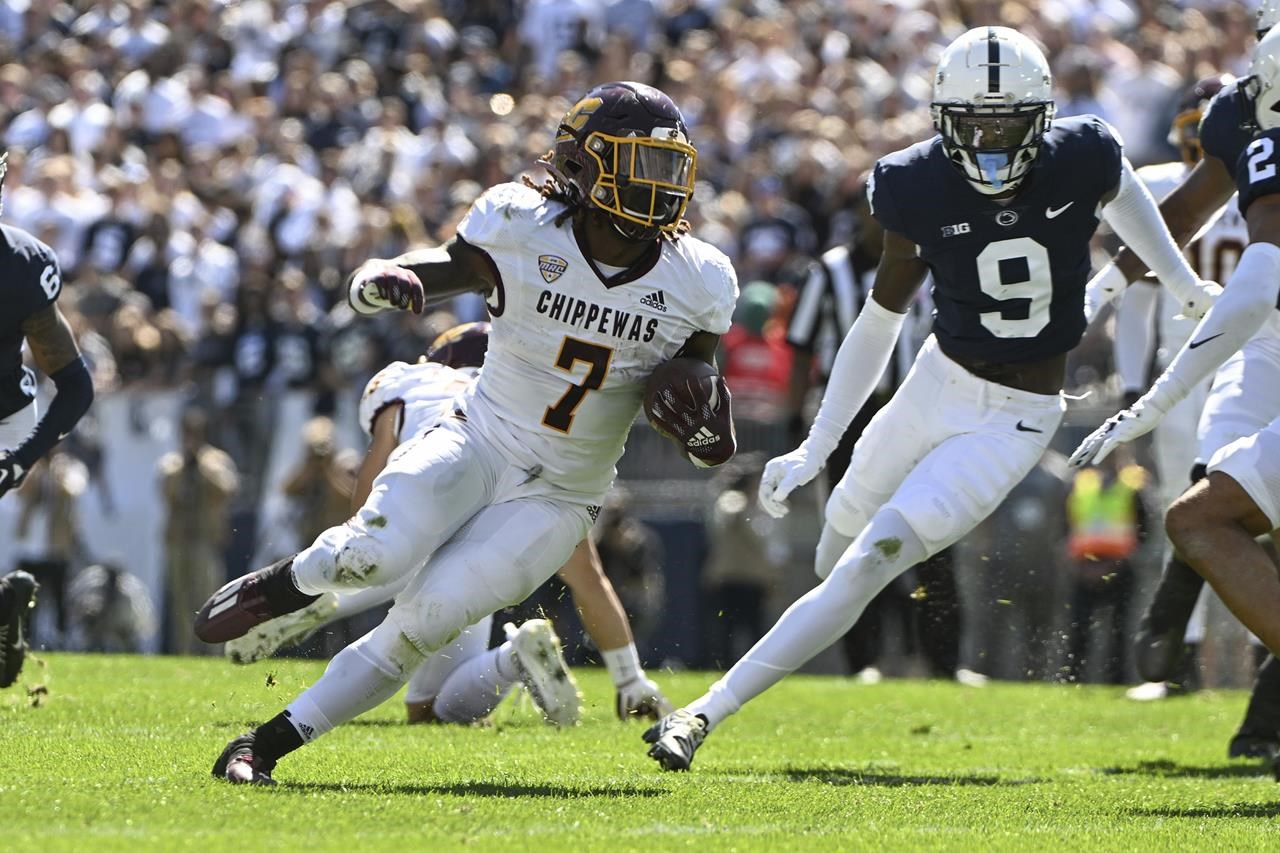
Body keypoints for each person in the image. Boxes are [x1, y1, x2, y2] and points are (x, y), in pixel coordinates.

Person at [643, 27, 1217, 771]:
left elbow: (1133, 204)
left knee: (868, 559)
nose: (986, 139)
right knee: (836, 542)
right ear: (943, 119)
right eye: (970, 122)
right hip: (932, 385)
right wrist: (815, 446)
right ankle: (824, 614)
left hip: (1013, 419)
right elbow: (876, 325)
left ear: (1039, 116)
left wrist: (1180, 283)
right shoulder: (913, 183)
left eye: (1005, 121)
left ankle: (701, 713)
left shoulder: (1086, 153)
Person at [195, 81, 738, 784]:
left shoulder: (699, 278)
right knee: (369, 555)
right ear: (587, 164)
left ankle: (258, 747)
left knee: (425, 621)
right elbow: (445, 267)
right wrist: (383, 272)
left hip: (560, 495)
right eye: (642, 163)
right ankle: (291, 581)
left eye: (670, 169)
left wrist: (707, 436)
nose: (660, 187)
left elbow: (702, 400)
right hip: (478, 437)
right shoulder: (521, 224)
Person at [227, 323, 672, 726]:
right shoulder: (528, 415)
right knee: (431, 696)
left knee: (376, 553)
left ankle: (314, 601)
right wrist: (629, 680)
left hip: (433, 488)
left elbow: (366, 503)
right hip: (520, 497)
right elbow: (589, 581)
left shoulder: (409, 384)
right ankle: (512, 659)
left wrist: (356, 540)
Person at [1071, 26, 1280, 777]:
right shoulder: (1239, 118)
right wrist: (1099, 291)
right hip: (1256, 347)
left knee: (1203, 517)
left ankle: (1249, 704)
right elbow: (1181, 216)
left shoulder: (1262, 121)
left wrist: (1154, 400)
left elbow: (1255, 287)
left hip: (1244, 332)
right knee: (1207, 510)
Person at [1110, 76, 1252, 703]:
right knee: (1181, 507)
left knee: (1239, 510)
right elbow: (1134, 304)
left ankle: (1248, 658)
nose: (1199, 140)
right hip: (1183, 370)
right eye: (1193, 127)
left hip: (1250, 367)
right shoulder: (1164, 185)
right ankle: (1183, 658)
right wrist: (1131, 386)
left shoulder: (1261, 183)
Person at [0, 147, 95, 688]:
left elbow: (76, 384)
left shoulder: (20, 265)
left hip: (5, 418)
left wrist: (22, 459)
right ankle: (4, 614)